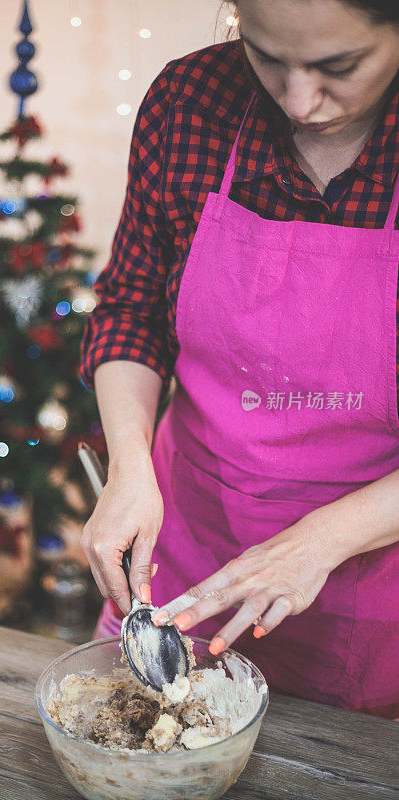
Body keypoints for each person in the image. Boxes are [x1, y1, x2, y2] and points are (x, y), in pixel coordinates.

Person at [79, 0, 399, 718]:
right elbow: (131, 309)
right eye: (264, 54)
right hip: (186, 558)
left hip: (375, 602)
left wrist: (324, 537)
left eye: (337, 66)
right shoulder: (189, 103)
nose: (297, 100)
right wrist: (128, 466)